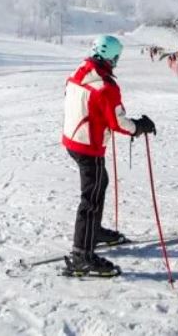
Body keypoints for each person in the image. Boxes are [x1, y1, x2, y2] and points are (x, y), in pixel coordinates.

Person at [62, 35, 156, 277]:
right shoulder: (105, 85)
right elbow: (119, 123)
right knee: (91, 197)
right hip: (88, 145)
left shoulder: (82, 69)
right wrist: (139, 126)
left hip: (74, 139)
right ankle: (82, 255)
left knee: (99, 184)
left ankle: (93, 233)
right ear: (113, 57)